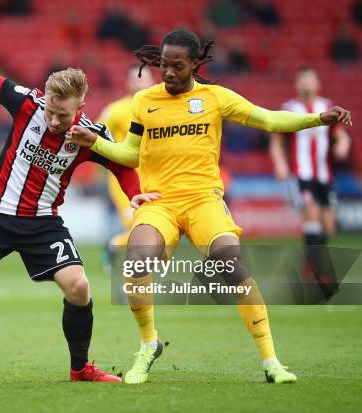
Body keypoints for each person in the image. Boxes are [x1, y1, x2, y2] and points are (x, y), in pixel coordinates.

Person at [65, 28, 352, 384]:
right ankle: (148, 344)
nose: (168, 72)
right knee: (136, 262)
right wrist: (95, 143)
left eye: (177, 66)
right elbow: (130, 154)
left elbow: (268, 118)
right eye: (163, 65)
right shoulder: (145, 101)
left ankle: (271, 361)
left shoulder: (216, 98)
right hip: (161, 203)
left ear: (195, 64)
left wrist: (316, 120)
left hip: (204, 200)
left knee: (232, 267)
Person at [0, 31, 141, 383]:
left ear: (79, 108)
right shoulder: (27, 104)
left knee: (79, 288)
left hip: (42, 223)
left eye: (62, 116)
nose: (53, 121)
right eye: (50, 111)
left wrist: (135, 195)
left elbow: (122, 165)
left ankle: (80, 368)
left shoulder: (90, 135)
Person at [269, 67, 351, 290]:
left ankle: (311, 264)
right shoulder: (289, 109)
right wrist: (280, 162)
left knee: (329, 225)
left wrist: (343, 144)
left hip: (324, 175)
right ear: (296, 84)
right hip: (301, 175)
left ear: (318, 84)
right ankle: (315, 273)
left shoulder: (326, 107)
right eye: (302, 80)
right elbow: (277, 141)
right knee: (312, 216)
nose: (306, 84)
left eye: (310, 80)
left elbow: (339, 134)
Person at [98, 65, 154, 265]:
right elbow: (96, 134)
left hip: (154, 176)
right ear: (128, 83)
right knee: (135, 222)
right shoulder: (116, 110)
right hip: (125, 177)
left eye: (145, 78)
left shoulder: (160, 108)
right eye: (136, 79)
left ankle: (115, 245)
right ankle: (132, 278)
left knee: (151, 224)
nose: (141, 83)